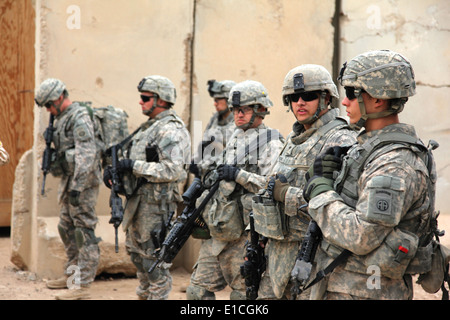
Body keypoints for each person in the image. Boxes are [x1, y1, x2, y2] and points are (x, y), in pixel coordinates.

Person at [302, 50, 438, 299]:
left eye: (352, 94)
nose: (344, 102)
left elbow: (361, 236)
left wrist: (321, 193)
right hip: (343, 284)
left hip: (368, 291)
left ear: (378, 99)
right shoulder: (367, 149)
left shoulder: (394, 162)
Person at [252, 65, 357, 300]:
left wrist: (286, 195)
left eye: (308, 96)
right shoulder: (293, 138)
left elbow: (338, 205)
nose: (300, 102)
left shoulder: (340, 139)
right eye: (293, 97)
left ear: (326, 98)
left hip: (312, 256)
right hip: (277, 254)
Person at [186, 80, 285, 300]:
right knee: (196, 292)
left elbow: (273, 186)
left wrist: (239, 176)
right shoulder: (235, 137)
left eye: (244, 109)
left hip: (246, 232)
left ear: (260, 108)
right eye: (234, 110)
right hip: (220, 226)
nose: (237, 115)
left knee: (242, 296)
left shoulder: (272, 143)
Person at [105, 75, 191, 300]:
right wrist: (116, 173)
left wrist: (133, 166)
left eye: (145, 98)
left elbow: (172, 170)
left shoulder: (171, 130)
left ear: (161, 100)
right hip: (139, 203)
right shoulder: (149, 128)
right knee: (138, 258)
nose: (140, 102)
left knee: (155, 265)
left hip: (156, 206)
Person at [35, 78, 102, 300]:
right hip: (69, 180)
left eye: (48, 105)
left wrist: (78, 187)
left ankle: (82, 287)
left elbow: (86, 154)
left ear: (59, 97)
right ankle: (72, 278)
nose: (47, 110)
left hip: (82, 182)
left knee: (83, 231)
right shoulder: (60, 119)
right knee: (66, 228)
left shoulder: (80, 117)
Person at [190, 79, 236, 179]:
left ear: (229, 100)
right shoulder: (215, 119)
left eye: (218, 100)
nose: (215, 104)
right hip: (206, 173)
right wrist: (195, 161)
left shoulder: (238, 122)